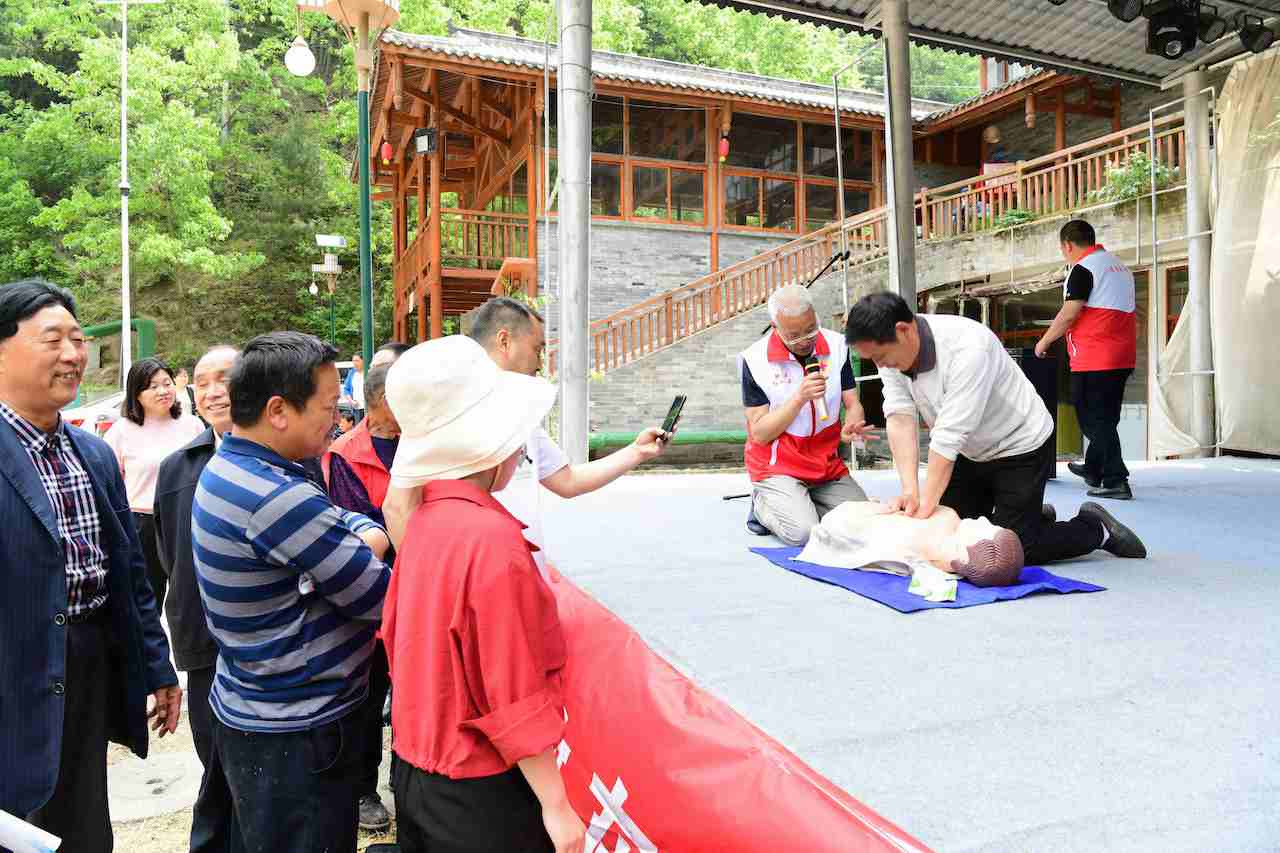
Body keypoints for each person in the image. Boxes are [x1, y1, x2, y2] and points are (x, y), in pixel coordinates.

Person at [381, 334, 585, 853]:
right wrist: (557, 806)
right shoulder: (489, 540)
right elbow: (511, 692)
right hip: (480, 787)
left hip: (415, 766)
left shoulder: (425, 522)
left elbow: (394, 636)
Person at [189, 332, 392, 853]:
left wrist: (358, 539)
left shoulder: (240, 467)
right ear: (279, 410)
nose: (338, 415)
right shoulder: (275, 498)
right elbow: (378, 597)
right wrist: (373, 538)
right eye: (327, 405)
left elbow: (342, 521)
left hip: (258, 708)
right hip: (299, 732)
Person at [0, 279, 181, 851]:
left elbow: (129, 573)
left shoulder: (93, 453)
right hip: (11, 672)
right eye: (52, 340)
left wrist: (158, 667)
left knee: (80, 820)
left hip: (85, 663)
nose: (74, 354)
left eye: (78, 340)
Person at [844, 291, 1147, 567]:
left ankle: (1095, 528)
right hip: (971, 451)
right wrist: (910, 492)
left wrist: (924, 508)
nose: (880, 365)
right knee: (952, 535)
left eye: (880, 357)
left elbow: (947, 439)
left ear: (903, 330)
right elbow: (899, 416)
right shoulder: (893, 359)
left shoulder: (967, 346)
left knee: (1016, 550)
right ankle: (1029, 516)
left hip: (1019, 445)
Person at [323, 355, 406, 833]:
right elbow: (363, 533)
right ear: (378, 404)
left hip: (420, 589)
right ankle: (362, 789)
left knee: (413, 696)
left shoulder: (423, 443)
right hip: (370, 601)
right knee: (367, 699)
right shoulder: (346, 455)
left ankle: (407, 779)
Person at [152, 345, 238, 770]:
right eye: (201, 383)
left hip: (272, 649)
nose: (212, 392)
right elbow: (170, 558)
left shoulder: (294, 458)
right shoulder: (177, 469)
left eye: (224, 378)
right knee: (216, 763)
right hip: (203, 644)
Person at [738, 284, 872, 546]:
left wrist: (853, 422)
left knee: (864, 524)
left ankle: (800, 502)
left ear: (815, 316)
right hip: (778, 465)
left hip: (825, 462)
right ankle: (762, 505)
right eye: (794, 335)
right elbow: (760, 433)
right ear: (775, 326)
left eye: (811, 329)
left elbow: (852, 402)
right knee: (802, 533)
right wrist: (799, 398)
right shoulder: (754, 360)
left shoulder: (837, 346)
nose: (805, 340)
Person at [1035, 219, 1139, 500]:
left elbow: (1070, 314)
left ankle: (1116, 479)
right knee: (1107, 415)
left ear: (1067, 245)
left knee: (1092, 418)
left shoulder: (1083, 269)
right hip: (1122, 353)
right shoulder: (1119, 267)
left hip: (1095, 356)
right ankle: (1094, 468)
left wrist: (1044, 341)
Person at [103, 357, 206, 611]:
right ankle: (147, 650)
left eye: (167, 383)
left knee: (189, 597)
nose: (163, 391)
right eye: (152, 386)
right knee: (147, 600)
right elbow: (109, 487)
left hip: (185, 520)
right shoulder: (120, 432)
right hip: (142, 525)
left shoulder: (192, 425)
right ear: (136, 393)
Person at [800, 500, 1025, 588]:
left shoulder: (946, 524)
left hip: (843, 524)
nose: (982, 520)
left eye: (983, 526)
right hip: (842, 526)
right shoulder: (946, 546)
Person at [342, 351, 366, 417]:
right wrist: (351, 401)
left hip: (367, 408)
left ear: (363, 361)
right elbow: (346, 389)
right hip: (356, 408)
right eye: (353, 361)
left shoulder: (369, 372)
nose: (354, 363)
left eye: (357, 361)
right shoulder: (352, 373)